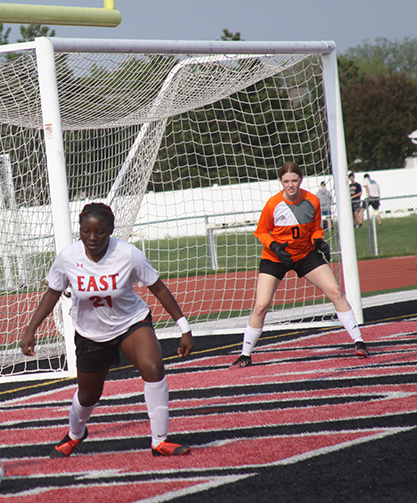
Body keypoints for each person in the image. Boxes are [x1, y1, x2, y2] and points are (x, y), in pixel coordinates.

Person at [20, 203, 194, 458]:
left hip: (131, 323)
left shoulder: (128, 254)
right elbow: (53, 292)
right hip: (91, 333)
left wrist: (184, 327)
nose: (92, 238)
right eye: (85, 231)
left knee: (153, 368)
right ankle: (75, 434)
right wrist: (31, 330)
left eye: (99, 232)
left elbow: (158, 288)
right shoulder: (68, 257)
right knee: (89, 394)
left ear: (111, 230)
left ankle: (160, 441)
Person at [230, 162, 369, 369]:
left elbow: (315, 229)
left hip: (305, 255)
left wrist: (319, 241)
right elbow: (260, 232)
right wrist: (275, 247)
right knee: (261, 305)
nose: (290, 185)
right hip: (276, 257)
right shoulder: (273, 204)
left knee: (335, 291)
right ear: (280, 182)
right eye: (286, 181)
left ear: (301, 180)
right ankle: (245, 355)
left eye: (294, 180)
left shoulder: (312, 200)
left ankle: (359, 342)